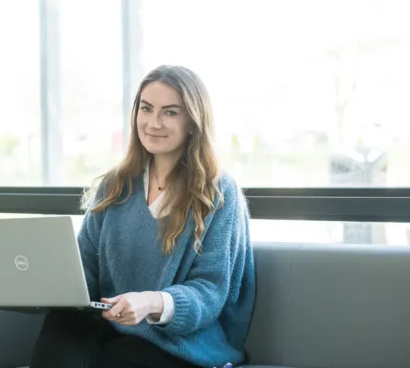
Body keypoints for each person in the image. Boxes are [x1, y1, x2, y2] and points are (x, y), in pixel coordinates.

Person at [29, 65, 255, 368]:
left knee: (122, 357)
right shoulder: (115, 185)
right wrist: (52, 286)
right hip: (114, 327)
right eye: (146, 109)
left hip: (183, 344)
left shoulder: (219, 193)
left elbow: (210, 290)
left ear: (193, 121)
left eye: (170, 112)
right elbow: (85, 264)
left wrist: (151, 302)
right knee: (63, 326)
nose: (153, 122)